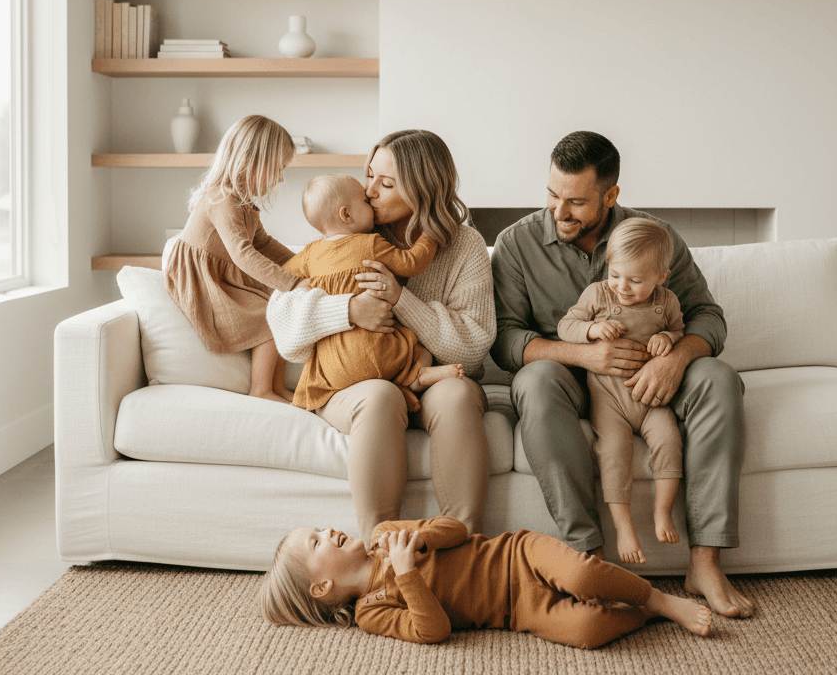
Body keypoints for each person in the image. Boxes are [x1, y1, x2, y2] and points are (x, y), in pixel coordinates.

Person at [490, 130, 754, 618]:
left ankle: (706, 562)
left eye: (575, 201)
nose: (559, 211)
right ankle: (588, 558)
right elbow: (505, 341)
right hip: (572, 379)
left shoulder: (655, 237)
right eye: (551, 195)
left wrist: (674, 358)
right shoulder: (516, 243)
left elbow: (707, 318)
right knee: (533, 381)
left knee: (718, 377)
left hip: (653, 379)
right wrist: (583, 354)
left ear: (610, 196)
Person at [265, 130, 494, 541]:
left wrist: (401, 299)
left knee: (457, 393)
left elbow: (473, 346)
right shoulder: (343, 234)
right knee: (379, 394)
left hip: (430, 376)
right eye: (369, 176)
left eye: (385, 184)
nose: (369, 192)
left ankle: (464, 543)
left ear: (424, 191)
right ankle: (380, 548)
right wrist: (347, 310)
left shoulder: (465, 246)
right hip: (354, 385)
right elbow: (283, 327)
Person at [257, 516, 712, 648]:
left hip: (516, 556)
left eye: (319, 529)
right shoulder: (370, 613)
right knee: (588, 631)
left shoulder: (383, 536)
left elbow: (456, 528)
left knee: (581, 573)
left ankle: (658, 598)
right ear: (321, 588)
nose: (329, 532)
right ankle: (644, 612)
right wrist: (407, 576)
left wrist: (415, 542)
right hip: (515, 612)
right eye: (317, 543)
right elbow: (433, 631)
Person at [557, 217, 686, 565]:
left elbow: (678, 330)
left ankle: (662, 511)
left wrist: (668, 338)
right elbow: (565, 325)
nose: (622, 287)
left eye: (635, 280)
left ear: (661, 277)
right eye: (615, 274)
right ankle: (624, 526)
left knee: (669, 440)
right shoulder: (598, 294)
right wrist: (593, 329)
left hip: (650, 398)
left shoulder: (667, 301)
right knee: (614, 451)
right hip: (609, 400)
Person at [283, 174, 464, 413]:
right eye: (365, 201)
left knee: (362, 375)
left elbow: (283, 278)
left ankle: (398, 390)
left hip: (336, 366)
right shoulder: (370, 243)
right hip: (381, 350)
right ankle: (417, 376)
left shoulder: (310, 254)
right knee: (419, 350)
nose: (370, 197)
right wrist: (430, 234)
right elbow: (411, 263)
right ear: (346, 215)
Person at [166, 114, 305, 405]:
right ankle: (262, 389)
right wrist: (293, 284)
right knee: (268, 317)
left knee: (276, 309)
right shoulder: (222, 198)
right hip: (203, 280)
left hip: (223, 273)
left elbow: (263, 243)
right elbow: (243, 253)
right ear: (251, 161)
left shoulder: (244, 202)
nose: (281, 177)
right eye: (278, 168)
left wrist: (305, 262)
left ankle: (277, 389)